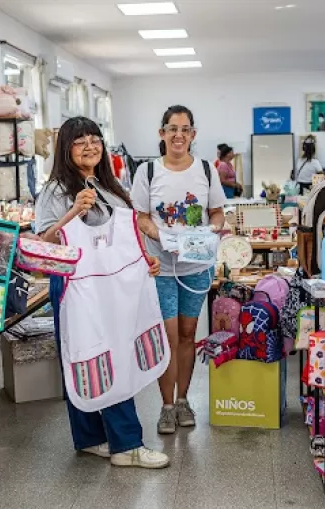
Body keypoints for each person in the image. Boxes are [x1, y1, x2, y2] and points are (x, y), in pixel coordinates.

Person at [34, 116, 170, 469]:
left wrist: (147, 262)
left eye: (95, 139)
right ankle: (126, 444)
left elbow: (124, 238)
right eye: (80, 141)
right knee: (94, 354)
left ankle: (92, 437)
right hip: (77, 284)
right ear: (66, 148)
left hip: (112, 284)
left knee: (108, 353)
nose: (90, 145)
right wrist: (72, 213)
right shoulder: (55, 192)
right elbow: (42, 243)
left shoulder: (110, 186)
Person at [132, 105, 227, 434]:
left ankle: (184, 400)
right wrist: (159, 234)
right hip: (161, 265)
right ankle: (166, 406)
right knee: (168, 336)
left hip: (196, 265)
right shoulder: (146, 172)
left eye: (185, 129)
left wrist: (210, 231)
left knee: (188, 334)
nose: (178, 135)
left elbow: (216, 213)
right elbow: (141, 216)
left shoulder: (205, 169)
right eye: (172, 128)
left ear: (193, 135)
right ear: (162, 133)